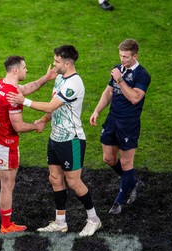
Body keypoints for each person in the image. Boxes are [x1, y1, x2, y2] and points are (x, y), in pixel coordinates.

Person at [7, 45, 102, 237]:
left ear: (67, 63)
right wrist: (43, 121)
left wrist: (23, 100)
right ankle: (60, 222)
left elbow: (51, 104)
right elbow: (55, 109)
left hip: (71, 140)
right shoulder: (60, 78)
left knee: (74, 182)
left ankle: (94, 219)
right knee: (55, 179)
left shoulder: (74, 84)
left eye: (57, 61)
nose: (54, 64)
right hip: (56, 138)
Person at [0, 56, 57, 234]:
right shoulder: (12, 97)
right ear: (15, 70)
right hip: (5, 143)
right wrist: (37, 125)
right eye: (24, 68)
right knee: (7, 184)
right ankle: (6, 225)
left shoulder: (2, 84)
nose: (26, 70)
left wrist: (45, 78)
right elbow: (17, 126)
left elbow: (25, 89)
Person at [89, 39, 151, 215]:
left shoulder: (142, 75)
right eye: (121, 56)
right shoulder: (118, 68)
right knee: (108, 158)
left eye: (126, 57)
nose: (122, 59)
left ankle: (120, 200)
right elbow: (108, 92)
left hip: (129, 123)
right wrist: (97, 111)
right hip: (112, 120)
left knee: (126, 162)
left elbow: (134, 98)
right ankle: (131, 181)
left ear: (135, 56)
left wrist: (120, 79)